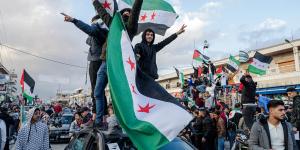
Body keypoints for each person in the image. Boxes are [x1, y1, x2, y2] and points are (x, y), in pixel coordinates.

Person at [91, 0, 143, 126]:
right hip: (105, 63)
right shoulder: (114, 25)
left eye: (128, 12)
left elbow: (135, 11)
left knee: (117, 94)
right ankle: (98, 121)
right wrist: (95, 2)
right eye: (124, 11)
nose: (126, 13)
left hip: (118, 65)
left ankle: (120, 121)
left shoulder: (130, 29)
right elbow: (103, 14)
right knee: (97, 92)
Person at [63, 14, 108, 121]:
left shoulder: (97, 31)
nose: (92, 26)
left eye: (93, 23)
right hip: (97, 60)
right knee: (99, 91)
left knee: (96, 91)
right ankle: (102, 117)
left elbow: (89, 30)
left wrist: (74, 20)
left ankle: (97, 117)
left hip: (96, 61)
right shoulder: (97, 34)